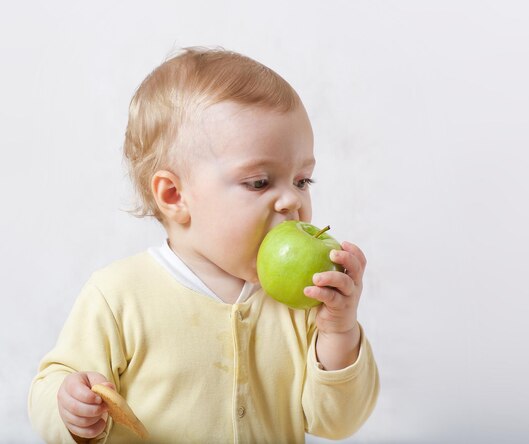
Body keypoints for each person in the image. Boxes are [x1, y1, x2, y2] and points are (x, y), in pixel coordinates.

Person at [28, 47, 379, 443]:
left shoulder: (302, 304)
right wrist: (69, 406)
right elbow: (53, 381)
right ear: (175, 195)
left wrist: (339, 333)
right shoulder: (119, 295)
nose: (292, 201)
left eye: (302, 181)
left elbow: (338, 423)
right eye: (260, 182)